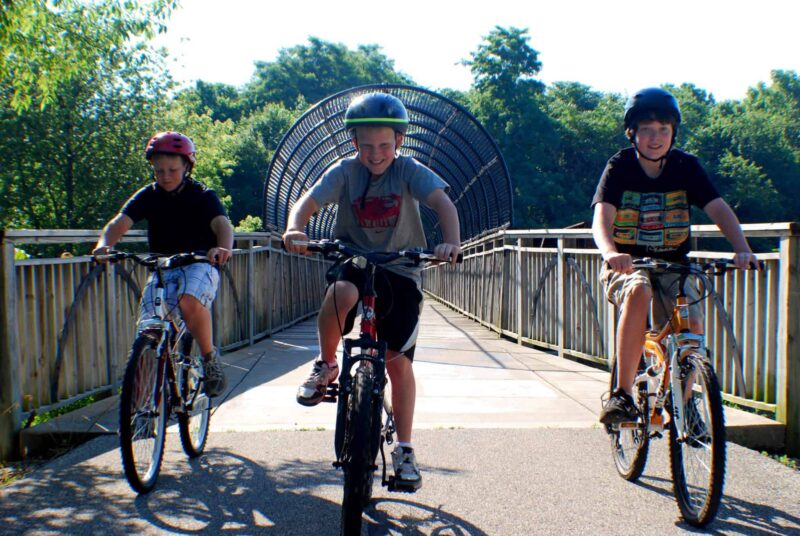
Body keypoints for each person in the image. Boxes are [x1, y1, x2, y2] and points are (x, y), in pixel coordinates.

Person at [282, 93, 461, 490]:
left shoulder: (409, 171)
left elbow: (441, 202)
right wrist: (296, 228)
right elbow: (307, 204)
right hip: (356, 258)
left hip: (401, 266)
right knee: (339, 293)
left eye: (384, 144)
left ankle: (406, 448)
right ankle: (327, 363)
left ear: (398, 141)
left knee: (398, 362)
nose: (375, 153)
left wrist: (450, 241)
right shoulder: (345, 171)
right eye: (366, 145)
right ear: (354, 144)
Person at [591, 88, 758, 425]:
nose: (656, 138)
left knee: (693, 323)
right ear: (633, 133)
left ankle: (681, 403)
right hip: (629, 263)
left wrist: (742, 247)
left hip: (674, 265)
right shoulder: (619, 166)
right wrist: (611, 253)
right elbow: (602, 218)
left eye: (664, 130)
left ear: (673, 133)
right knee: (638, 291)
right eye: (647, 130)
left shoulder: (686, 167)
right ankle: (622, 395)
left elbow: (718, 208)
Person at [93, 131, 233, 397]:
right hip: (162, 266)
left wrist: (223, 247)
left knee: (189, 300)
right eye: (159, 171)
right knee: (147, 329)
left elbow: (221, 224)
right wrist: (104, 244)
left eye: (172, 170)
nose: (165, 176)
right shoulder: (148, 195)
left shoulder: (202, 195)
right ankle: (145, 406)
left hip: (199, 262)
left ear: (187, 167)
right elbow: (119, 224)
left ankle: (209, 358)